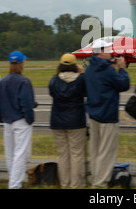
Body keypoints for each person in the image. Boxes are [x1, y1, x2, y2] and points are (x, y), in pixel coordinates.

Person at [84, 40, 130, 188]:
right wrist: (122, 69)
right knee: (106, 154)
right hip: (108, 116)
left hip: (93, 115)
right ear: (102, 52)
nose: (111, 51)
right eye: (108, 49)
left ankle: (96, 180)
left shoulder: (90, 68)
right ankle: (100, 185)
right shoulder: (108, 70)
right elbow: (123, 84)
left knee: (96, 152)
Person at [0, 50, 36, 189]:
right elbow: (27, 104)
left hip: (7, 121)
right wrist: (30, 119)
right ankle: (14, 184)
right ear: (22, 63)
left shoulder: (2, 81)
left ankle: (14, 182)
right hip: (21, 120)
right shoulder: (24, 81)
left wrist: (1, 118)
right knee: (20, 154)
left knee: (10, 154)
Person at [49, 53, 87, 188]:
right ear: (74, 65)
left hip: (58, 122)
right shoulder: (80, 80)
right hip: (76, 121)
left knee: (63, 155)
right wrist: (82, 73)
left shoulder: (54, 80)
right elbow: (86, 92)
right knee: (76, 155)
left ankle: (65, 184)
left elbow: (52, 92)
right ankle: (76, 185)